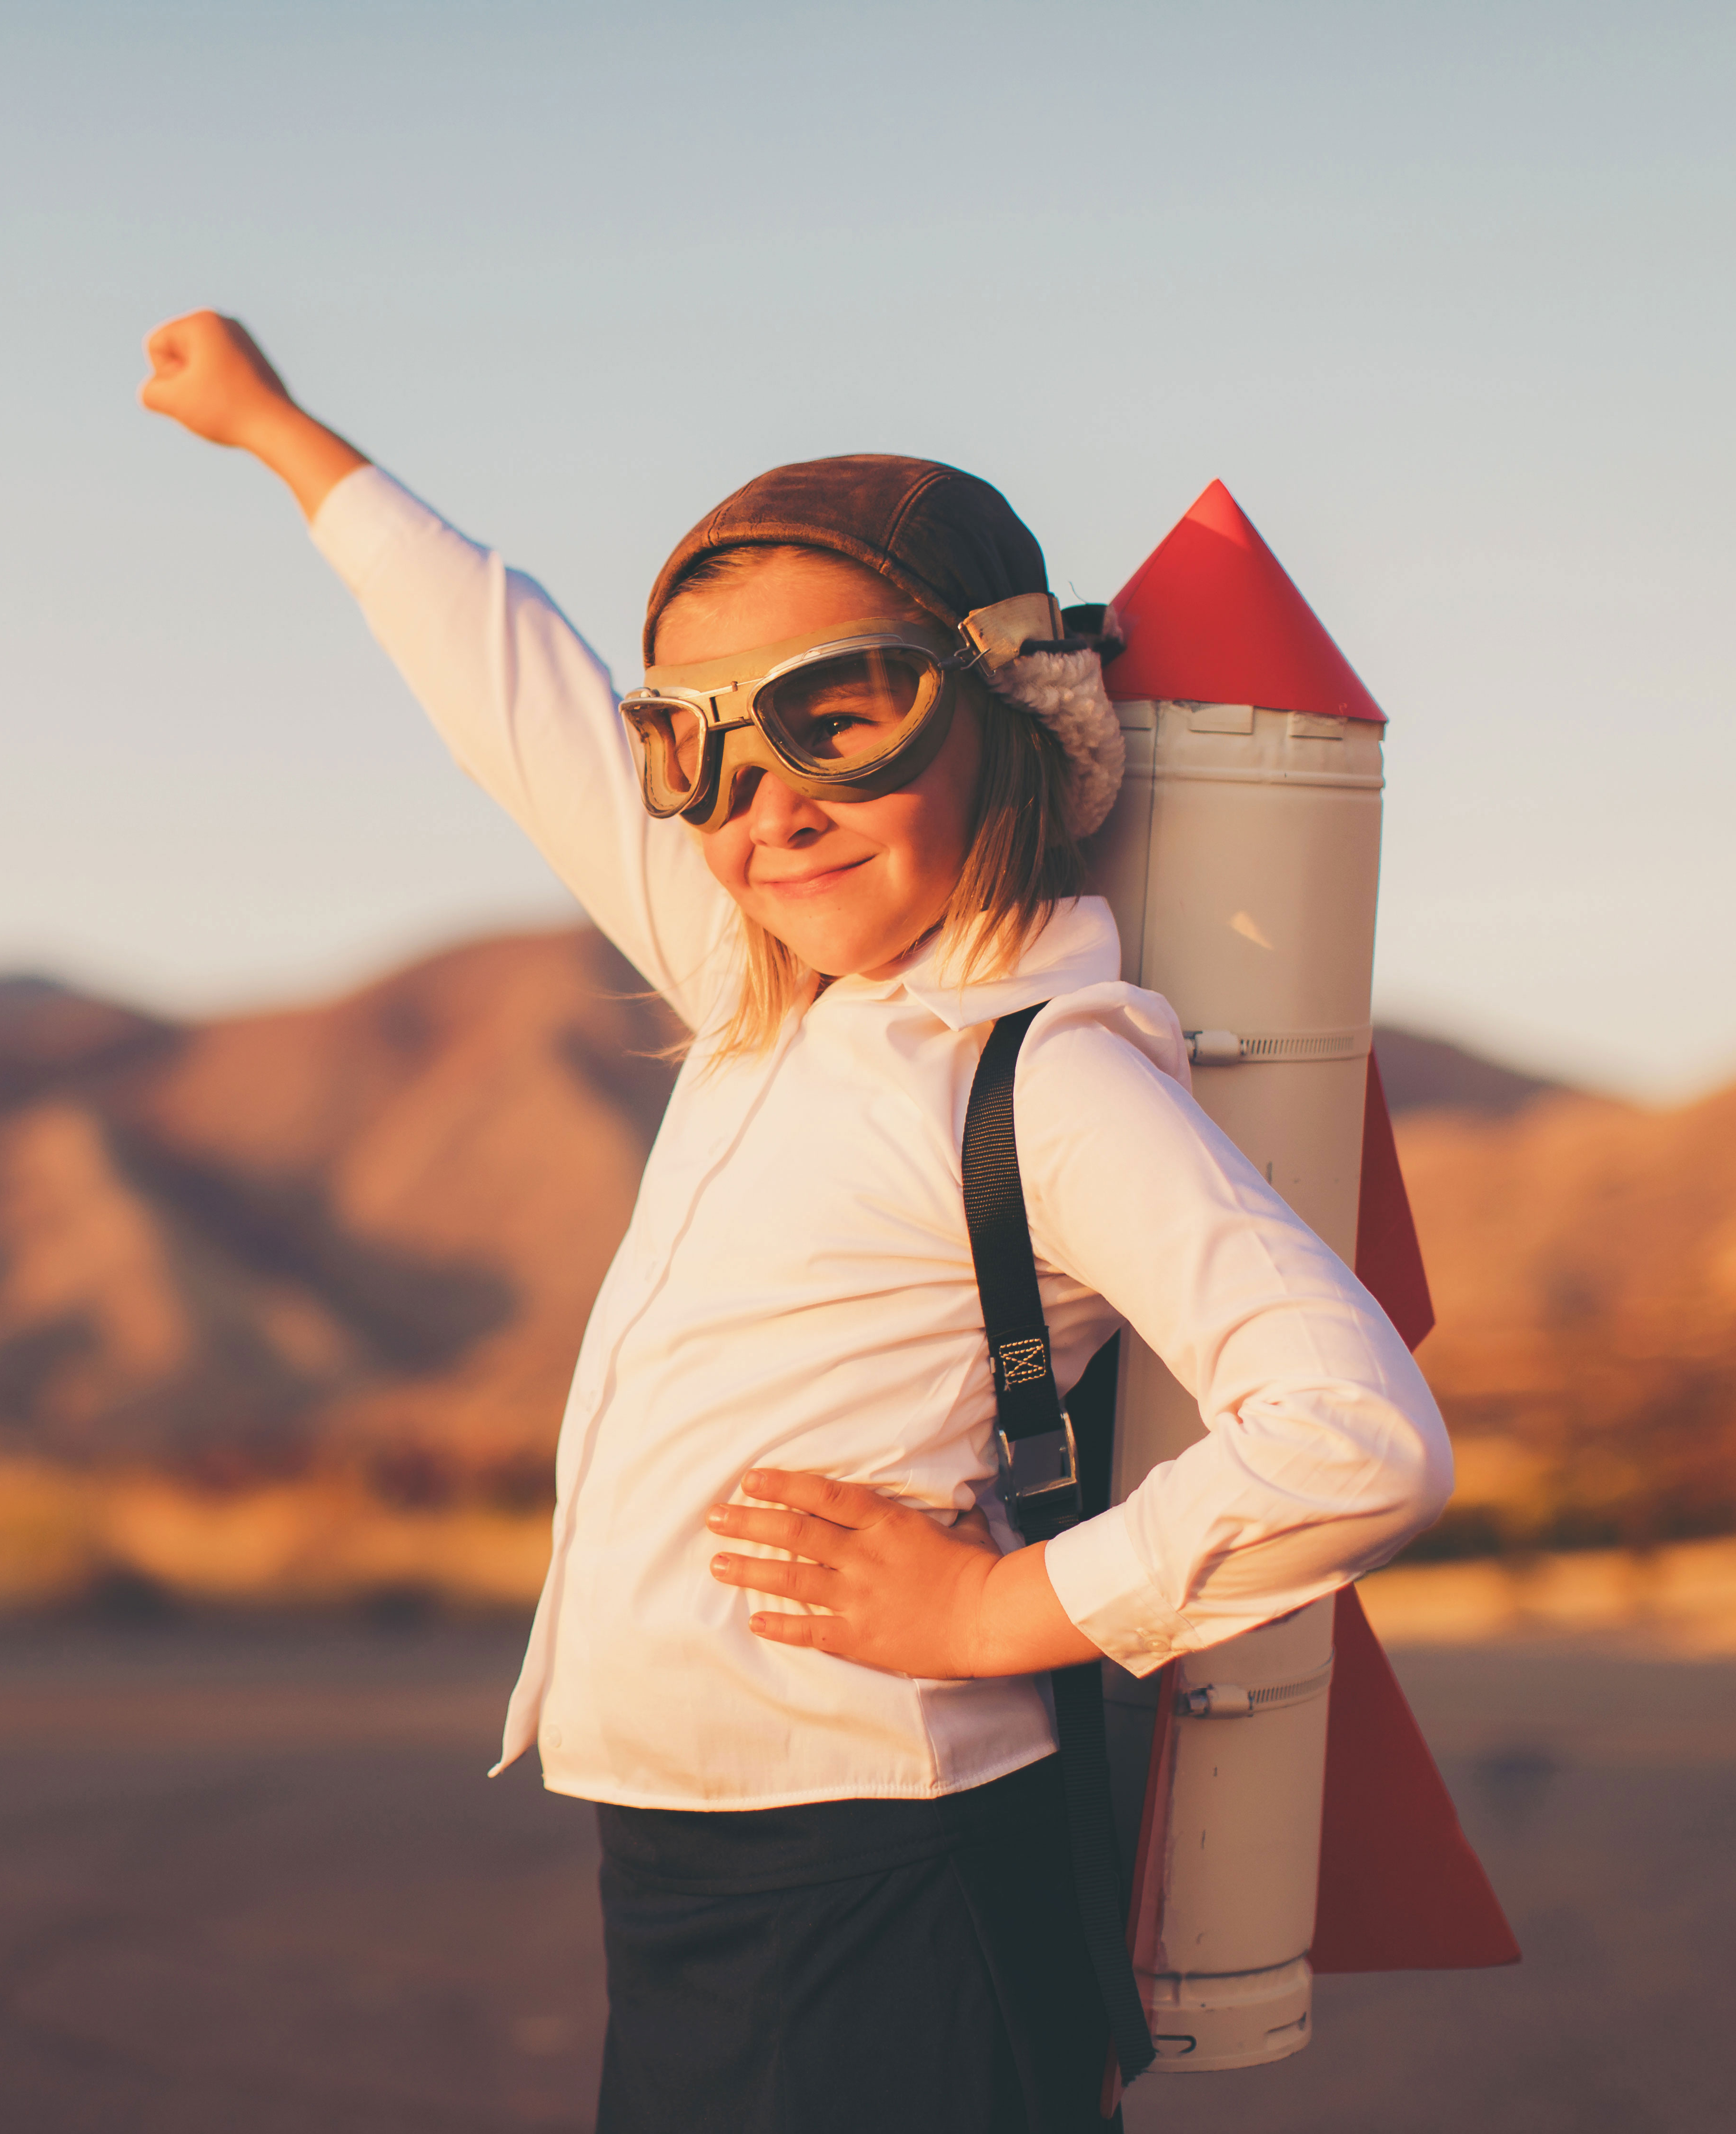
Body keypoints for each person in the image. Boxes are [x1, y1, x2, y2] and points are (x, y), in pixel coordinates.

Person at [139, 310, 1454, 2134]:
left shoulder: (1041, 1075)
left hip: (884, 1874)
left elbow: (1359, 1437)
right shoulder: (771, 999)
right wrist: (285, 438)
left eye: (839, 717)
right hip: (689, 1859)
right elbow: (516, 702)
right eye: (695, 748)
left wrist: (1000, 1609)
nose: (768, 805)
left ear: (1009, 709)